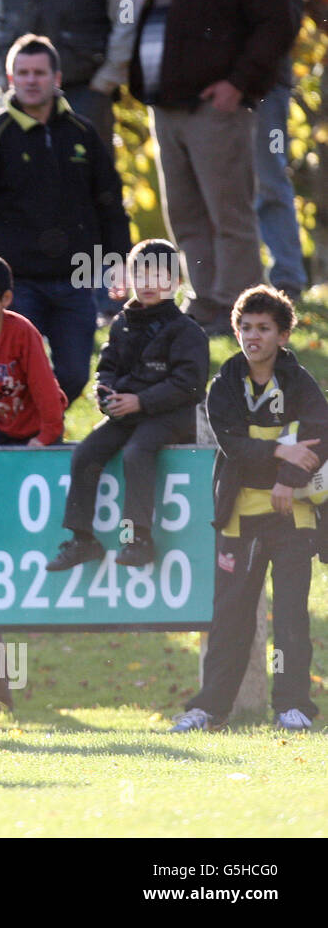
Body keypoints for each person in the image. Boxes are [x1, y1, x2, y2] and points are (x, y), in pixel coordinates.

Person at [171, 286, 328, 733]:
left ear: (283, 335)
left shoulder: (299, 382)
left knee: (292, 617)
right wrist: (282, 449)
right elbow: (233, 444)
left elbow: (318, 436)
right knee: (230, 616)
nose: (251, 336)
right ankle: (210, 709)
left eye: (263, 328)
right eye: (245, 327)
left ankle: (292, 705)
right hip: (239, 517)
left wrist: (289, 481)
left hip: (292, 516)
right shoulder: (225, 383)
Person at [0, 34, 130, 405]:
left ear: (56, 78)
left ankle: (45, 429)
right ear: (11, 79)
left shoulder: (83, 133)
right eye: (23, 73)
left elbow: (110, 203)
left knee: (75, 374)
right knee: (12, 373)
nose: (31, 80)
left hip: (77, 281)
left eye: (39, 73)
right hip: (15, 285)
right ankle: (22, 438)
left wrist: (118, 262)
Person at [129, 0, 297, 335]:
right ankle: (205, 302)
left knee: (228, 213)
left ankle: (237, 307)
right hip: (167, 106)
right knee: (185, 214)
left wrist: (239, 83)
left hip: (215, 108)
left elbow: (278, 23)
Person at [47, 239, 208, 571]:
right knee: (86, 453)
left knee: (137, 452)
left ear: (176, 283)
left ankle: (138, 539)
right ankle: (82, 539)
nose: (147, 284)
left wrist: (141, 401)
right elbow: (106, 367)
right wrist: (106, 395)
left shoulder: (186, 330)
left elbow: (188, 385)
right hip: (127, 413)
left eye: (158, 276)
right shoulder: (121, 323)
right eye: (140, 274)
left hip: (171, 415)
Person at [0, 0, 144, 150]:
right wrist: (2, 77)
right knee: (15, 172)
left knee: (86, 173)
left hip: (85, 93)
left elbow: (128, 16)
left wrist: (106, 80)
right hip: (20, 95)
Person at [0, 254, 66, 447]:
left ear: (6, 298)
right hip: (1, 429)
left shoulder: (22, 332)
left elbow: (43, 384)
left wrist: (48, 433)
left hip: (38, 429)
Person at [255, 0, 309, 301]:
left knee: (269, 179)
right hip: (219, 87)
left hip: (266, 85)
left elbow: (284, 21)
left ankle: (288, 278)